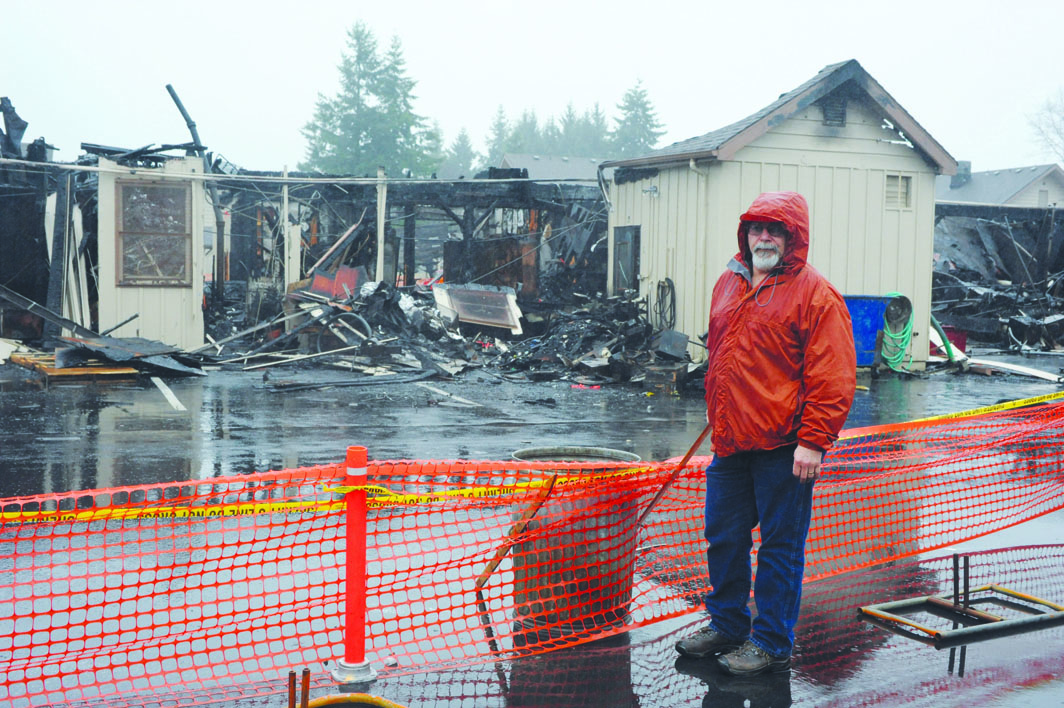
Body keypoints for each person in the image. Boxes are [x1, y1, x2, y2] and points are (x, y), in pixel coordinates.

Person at [675, 191, 856, 676]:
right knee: (724, 537)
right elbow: (723, 356)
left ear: (794, 237)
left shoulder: (816, 294)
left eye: (775, 229)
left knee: (779, 548)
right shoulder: (727, 283)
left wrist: (814, 440)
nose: (764, 237)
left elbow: (833, 375)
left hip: (784, 449)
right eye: (757, 228)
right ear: (745, 234)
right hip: (731, 443)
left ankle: (772, 641)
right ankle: (728, 624)